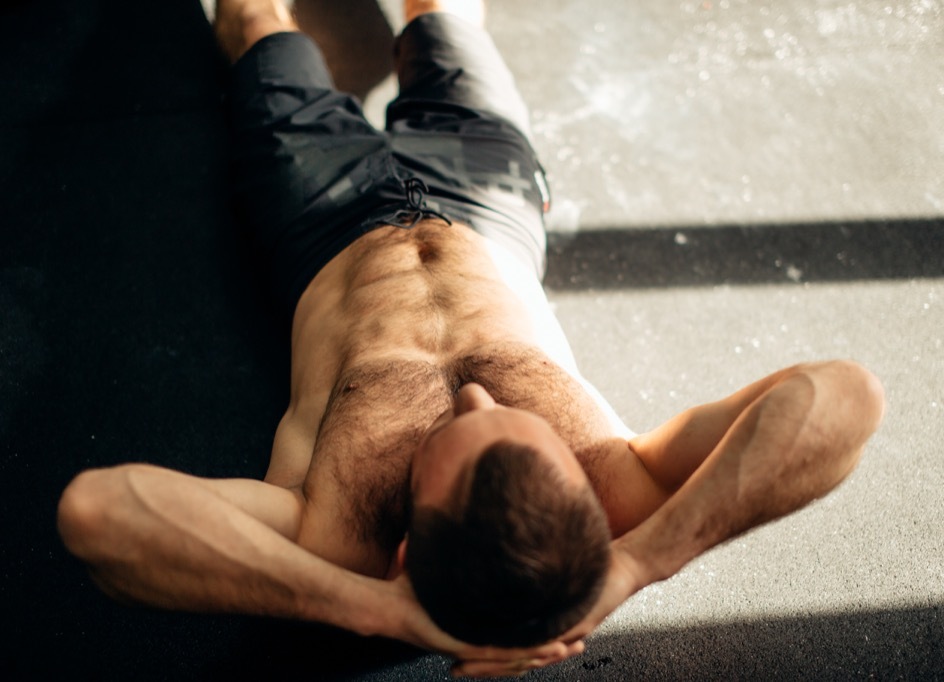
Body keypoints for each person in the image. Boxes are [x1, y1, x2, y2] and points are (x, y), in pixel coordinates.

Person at [56, 0, 886, 677]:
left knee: (257, 27)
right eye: (518, 426)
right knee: (442, 17)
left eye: (452, 432)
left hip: (320, 222)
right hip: (487, 204)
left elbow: (98, 514)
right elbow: (844, 397)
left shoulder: (338, 532)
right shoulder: (619, 486)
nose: (476, 395)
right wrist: (641, 564)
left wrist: (369, 607)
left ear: (409, 544)